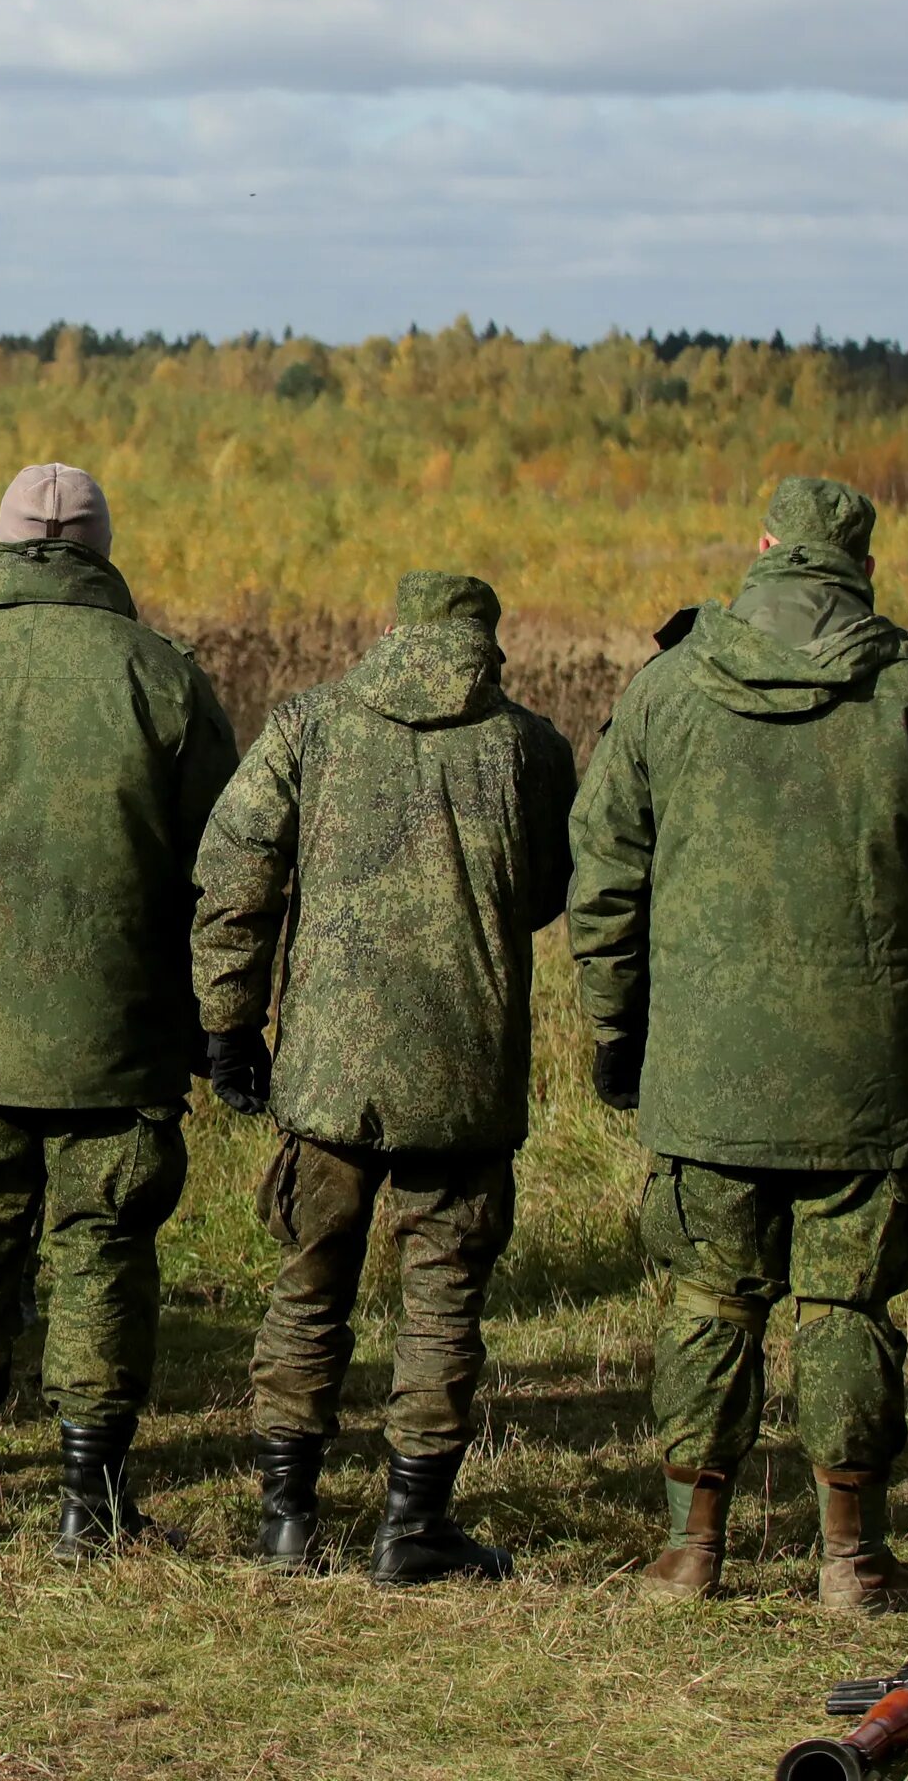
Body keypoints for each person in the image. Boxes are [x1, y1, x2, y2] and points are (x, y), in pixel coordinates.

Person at [569, 476, 908, 1611]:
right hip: (867, 1078)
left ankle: (691, 1549)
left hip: (705, 1071)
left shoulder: (669, 690)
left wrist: (615, 1029)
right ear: (860, 564)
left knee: (708, 1302)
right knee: (848, 1308)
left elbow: (606, 882)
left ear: (767, 548)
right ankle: (855, 1557)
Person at [0, 463, 237, 1556]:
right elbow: (231, 869)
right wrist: (215, 1017)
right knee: (104, 1241)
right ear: (101, 550)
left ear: (4, 549)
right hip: (122, 1032)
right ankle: (87, 1495)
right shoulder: (164, 678)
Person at [191, 571, 575, 1583]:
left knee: (309, 1288)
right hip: (465, 1077)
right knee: (442, 1300)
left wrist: (228, 1022)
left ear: (393, 633)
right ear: (487, 643)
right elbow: (543, 892)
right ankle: (413, 1525)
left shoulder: (309, 726)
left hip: (325, 1075)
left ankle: (286, 1514)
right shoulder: (527, 746)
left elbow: (233, 872)